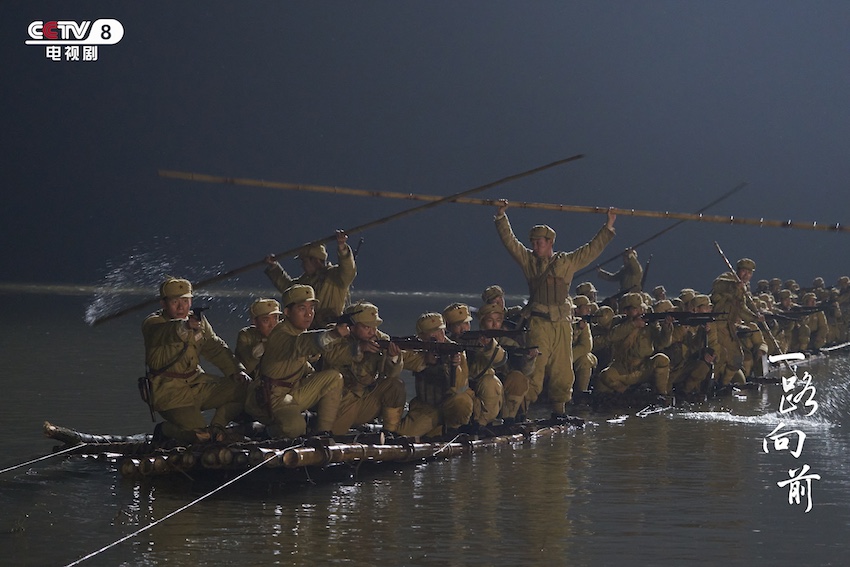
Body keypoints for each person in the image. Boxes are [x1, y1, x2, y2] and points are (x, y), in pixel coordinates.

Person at [494, 199, 616, 415]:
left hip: (562, 324)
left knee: (563, 370)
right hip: (539, 323)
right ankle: (519, 410)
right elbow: (510, 243)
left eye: (539, 242)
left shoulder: (566, 262)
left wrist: (607, 227)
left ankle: (559, 410)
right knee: (535, 369)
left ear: (550, 242)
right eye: (532, 242)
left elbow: (590, 250)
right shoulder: (529, 261)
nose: (535, 246)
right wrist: (502, 217)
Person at [142, 277, 251, 443]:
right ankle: (166, 430)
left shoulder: (197, 321)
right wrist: (185, 326)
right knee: (199, 437)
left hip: (197, 383)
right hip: (170, 393)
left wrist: (236, 371)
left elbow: (214, 347)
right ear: (163, 304)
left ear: (191, 301)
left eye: (185, 301)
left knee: (246, 387)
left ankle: (217, 428)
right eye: (175, 302)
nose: (181, 307)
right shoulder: (153, 323)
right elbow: (165, 332)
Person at [244, 284, 348, 438]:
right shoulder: (280, 334)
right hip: (272, 398)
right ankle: (264, 432)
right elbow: (301, 344)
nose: (309, 314)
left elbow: (305, 356)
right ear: (287, 312)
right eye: (302, 309)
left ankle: (323, 434)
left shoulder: (299, 331)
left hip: (293, 391)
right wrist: (332, 334)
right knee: (295, 428)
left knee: (333, 377)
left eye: (311, 308)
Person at [321, 302, 407, 435]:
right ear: (352, 326)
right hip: (340, 401)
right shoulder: (335, 333)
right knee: (334, 436)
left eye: (375, 326)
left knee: (395, 386)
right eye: (367, 327)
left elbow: (391, 374)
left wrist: (393, 358)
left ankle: (390, 434)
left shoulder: (380, 339)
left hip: (366, 399)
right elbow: (331, 356)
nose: (372, 331)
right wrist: (359, 348)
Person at [398, 312, 475, 437]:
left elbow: (459, 386)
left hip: (449, 404)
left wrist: (453, 365)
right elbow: (403, 359)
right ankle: (435, 431)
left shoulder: (454, 350)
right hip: (427, 406)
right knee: (404, 434)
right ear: (422, 336)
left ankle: (453, 430)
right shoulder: (418, 348)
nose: (438, 336)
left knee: (461, 401)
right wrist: (425, 360)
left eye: (440, 331)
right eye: (432, 333)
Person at [264, 230, 356, 328]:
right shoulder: (304, 281)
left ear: (315, 260)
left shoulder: (336, 276)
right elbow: (288, 289)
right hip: (308, 332)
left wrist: (342, 247)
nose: (302, 265)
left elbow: (348, 270)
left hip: (330, 330)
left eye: (304, 261)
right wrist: (274, 267)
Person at [596, 293, 673, 397]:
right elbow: (613, 336)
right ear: (626, 311)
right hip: (622, 367)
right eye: (635, 309)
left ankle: (661, 395)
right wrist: (633, 325)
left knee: (662, 359)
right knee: (605, 377)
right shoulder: (618, 322)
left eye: (640, 308)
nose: (640, 311)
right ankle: (624, 392)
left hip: (643, 366)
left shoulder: (649, 324)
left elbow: (663, 342)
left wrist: (666, 329)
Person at [444, 302, 506, 428]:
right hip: (457, 398)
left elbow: (501, 359)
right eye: (458, 325)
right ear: (449, 327)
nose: (464, 328)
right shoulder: (445, 346)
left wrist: (489, 345)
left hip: (480, 393)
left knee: (491, 382)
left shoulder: (479, 340)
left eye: (466, 323)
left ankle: (481, 424)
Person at [710, 258, 764, 386]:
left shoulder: (743, 289)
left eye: (749, 273)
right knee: (720, 356)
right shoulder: (728, 277)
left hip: (730, 326)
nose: (746, 275)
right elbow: (717, 284)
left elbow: (742, 309)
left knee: (736, 359)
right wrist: (733, 285)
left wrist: (755, 317)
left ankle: (723, 384)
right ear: (738, 271)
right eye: (744, 272)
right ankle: (713, 383)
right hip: (718, 323)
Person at [476, 303, 533, 422]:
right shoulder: (474, 341)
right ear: (482, 322)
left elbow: (524, 371)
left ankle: (509, 418)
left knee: (518, 378)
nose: (494, 324)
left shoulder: (508, 342)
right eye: (490, 320)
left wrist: (529, 358)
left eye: (498, 320)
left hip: (504, 390)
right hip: (482, 390)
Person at [235, 298, 282, 376]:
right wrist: (262, 348)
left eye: (275, 318)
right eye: (266, 321)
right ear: (255, 322)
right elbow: (244, 368)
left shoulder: (286, 333)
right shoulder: (247, 336)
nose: (272, 325)